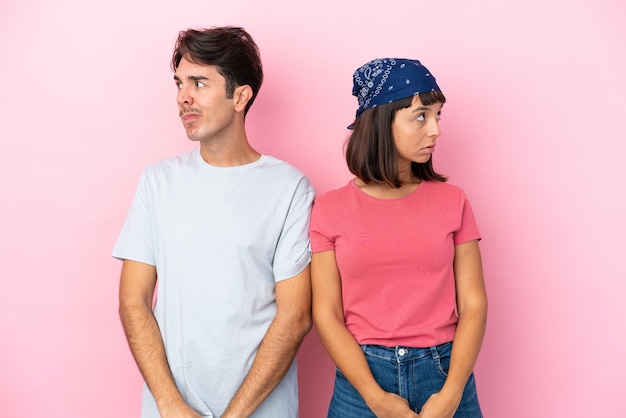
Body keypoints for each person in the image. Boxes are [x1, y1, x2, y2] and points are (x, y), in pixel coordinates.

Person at [113, 26, 315, 418]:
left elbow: (295, 316)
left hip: (261, 410)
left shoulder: (290, 188)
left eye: (199, 83)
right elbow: (133, 301)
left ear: (240, 96)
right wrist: (170, 406)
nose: (183, 98)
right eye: (179, 84)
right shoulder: (158, 182)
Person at [309, 58, 487, 418]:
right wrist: (376, 398)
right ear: (381, 121)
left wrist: (451, 395)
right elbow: (326, 314)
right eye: (421, 116)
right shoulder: (329, 209)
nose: (435, 129)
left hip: (444, 372)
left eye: (437, 115)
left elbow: (474, 305)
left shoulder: (453, 202)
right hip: (361, 382)